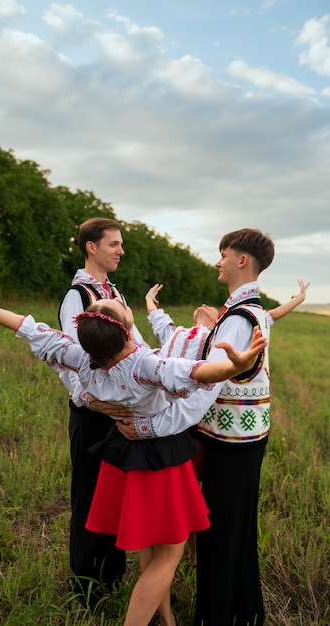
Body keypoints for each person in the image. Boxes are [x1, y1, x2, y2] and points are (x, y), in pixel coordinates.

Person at [0, 258, 267, 626]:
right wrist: (235, 366)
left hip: (124, 456)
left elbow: (22, 325)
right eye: (116, 305)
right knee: (168, 555)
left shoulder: (82, 359)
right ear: (125, 328)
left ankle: (166, 620)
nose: (115, 300)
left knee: (149, 548)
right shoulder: (144, 365)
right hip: (161, 457)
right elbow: (201, 372)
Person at [117, 228, 276, 626]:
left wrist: (149, 427)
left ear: (242, 260)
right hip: (243, 435)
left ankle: (217, 615)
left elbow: (205, 393)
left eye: (224, 254)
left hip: (231, 441)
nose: (218, 261)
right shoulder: (248, 312)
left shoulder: (239, 319)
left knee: (222, 533)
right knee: (235, 528)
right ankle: (242, 609)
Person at [144, 278, 310, 565]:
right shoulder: (181, 334)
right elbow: (158, 320)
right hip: (186, 425)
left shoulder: (223, 337)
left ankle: (194, 553)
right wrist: (149, 299)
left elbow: (269, 316)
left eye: (210, 308)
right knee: (190, 491)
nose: (205, 306)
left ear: (219, 321)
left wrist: (298, 299)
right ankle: (180, 551)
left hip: (203, 425)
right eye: (203, 306)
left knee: (202, 491)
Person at [57, 217, 146, 603]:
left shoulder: (116, 293)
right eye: (114, 244)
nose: (121, 250)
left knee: (115, 497)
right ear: (91, 247)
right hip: (92, 414)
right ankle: (84, 587)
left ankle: (111, 575)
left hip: (119, 415)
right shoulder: (78, 296)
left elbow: (136, 345)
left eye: (121, 244)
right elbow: (67, 358)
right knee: (88, 496)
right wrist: (91, 399)